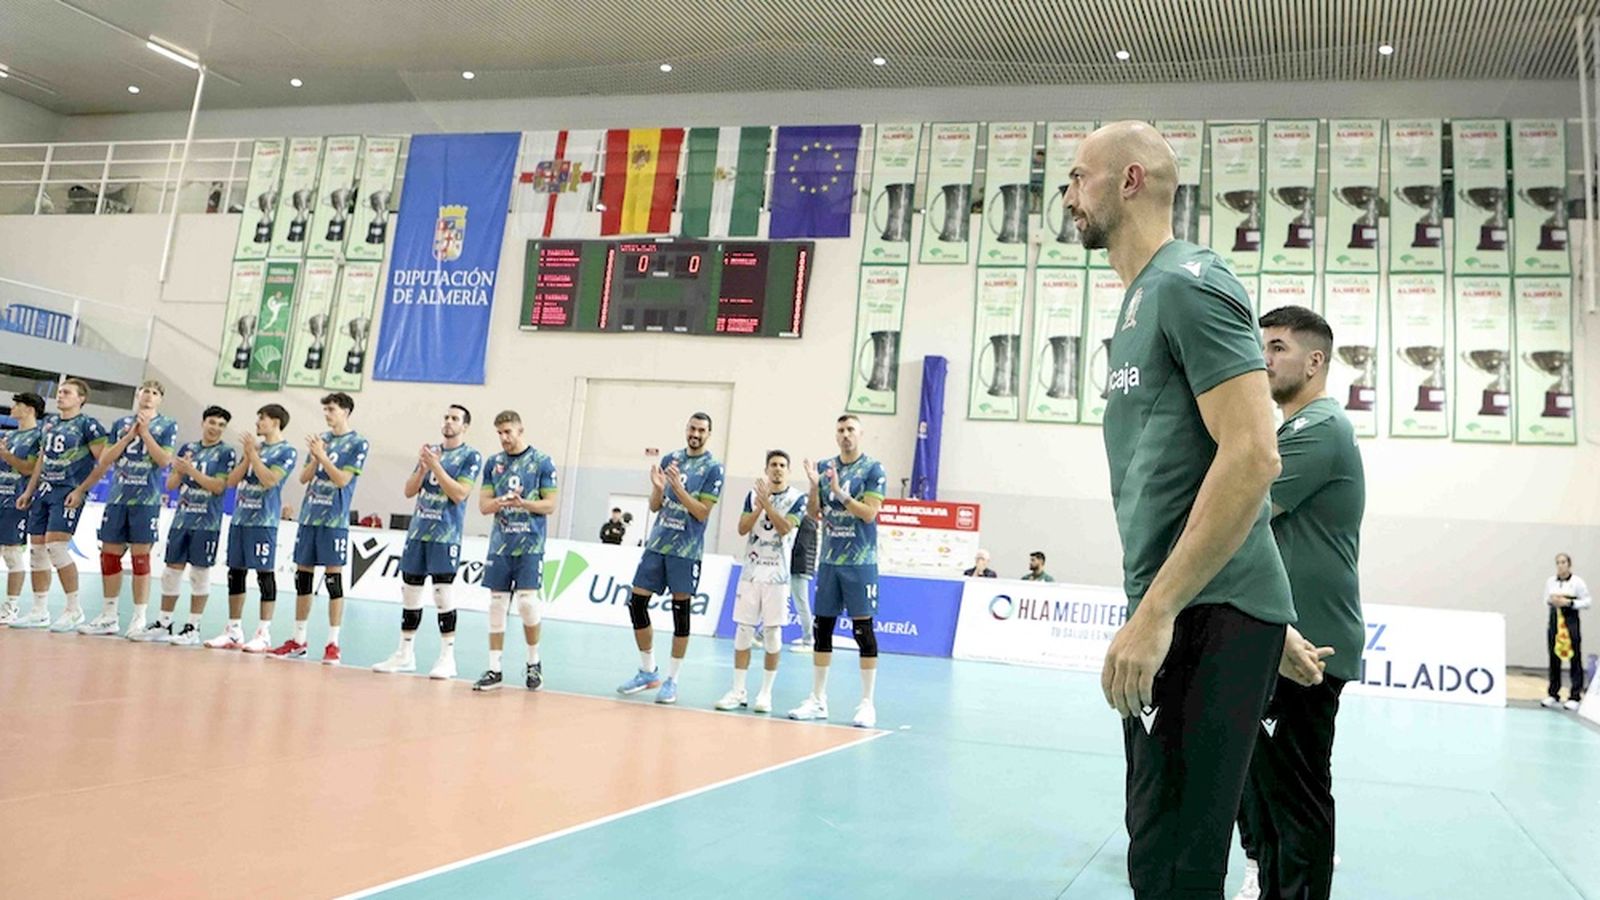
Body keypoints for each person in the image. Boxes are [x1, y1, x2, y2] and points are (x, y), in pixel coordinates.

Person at [1069, 120, 1297, 899]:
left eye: (1078, 178)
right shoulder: (1140, 302)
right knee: (1157, 854)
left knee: (1174, 868)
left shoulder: (1188, 282)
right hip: (1197, 606)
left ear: (1129, 181)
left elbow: (1254, 454)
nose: (1068, 195)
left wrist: (1161, 612)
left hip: (1199, 612)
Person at [1233, 305, 1366, 900]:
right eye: (1261, 345)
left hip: (1310, 642)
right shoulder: (1289, 429)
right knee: (1264, 797)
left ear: (1315, 362)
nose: (1264, 358)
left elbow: (1242, 506)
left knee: (1297, 797)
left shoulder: (1321, 429)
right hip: (1274, 640)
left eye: (1278, 347)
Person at [616, 413, 725, 704]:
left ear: (708, 434)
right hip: (657, 544)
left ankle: (672, 680)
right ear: (686, 429)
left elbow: (702, 512)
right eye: (692, 428)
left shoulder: (714, 468)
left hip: (685, 551)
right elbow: (654, 507)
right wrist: (658, 488)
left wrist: (678, 488)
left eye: (702, 430)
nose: (696, 433)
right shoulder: (670, 459)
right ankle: (647, 670)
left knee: (681, 613)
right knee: (636, 603)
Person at [790, 414, 887, 728]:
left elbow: (870, 514)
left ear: (860, 434)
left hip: (860, 563)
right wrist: (816, 487)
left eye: (850, 430)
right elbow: (813, 513)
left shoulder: (873, 469)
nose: (845, 435)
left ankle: (867, 704)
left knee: (863, 633)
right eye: (841, 430)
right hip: (830, 561)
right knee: (823, 630)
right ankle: (818, 700)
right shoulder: (825, 466)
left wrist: (841, 493)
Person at [374, 405, 483, 679]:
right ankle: (404, 653)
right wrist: (423, 468)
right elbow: (409, 491)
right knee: (410, 592)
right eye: (446, 417)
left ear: (465, 426)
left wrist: (436, 466)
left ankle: (447, 657)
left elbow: (459, 494)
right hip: (418, 532)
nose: (448, 422)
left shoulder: (470, 456)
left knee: (442, 594)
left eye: (455, 419)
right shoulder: (430, 450)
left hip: (445, 534)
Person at [74, 379, 179, 637]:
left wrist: (145, 434)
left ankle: (139, 616)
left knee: (140, 557)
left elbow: (165, 460)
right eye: (145, 391)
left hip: (146, 500)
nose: (149, 396)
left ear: (160, 399)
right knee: (109, 554)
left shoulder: (167, 425)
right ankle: (109, 615)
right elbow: (105, 458)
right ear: (138, 394)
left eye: (155, 392)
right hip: (118, 498)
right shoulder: (121, 424)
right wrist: (130, 435)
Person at [271, 392, 368, 664]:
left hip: (333, 521)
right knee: (303, 578)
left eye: (332, 409)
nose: (327, 414)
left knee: (333, 580)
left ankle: (333, 644)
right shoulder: (321, 440)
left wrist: (323, 457)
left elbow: (341, 480)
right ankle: (298, 639)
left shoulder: (357, 443)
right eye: (325, 409)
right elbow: (303, 478)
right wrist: (315, 457)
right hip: (309, 518)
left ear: (346, 411)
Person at [132, 406, 238, 644]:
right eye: (212, 422)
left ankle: (193, 627)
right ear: (203, 423)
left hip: (207, 522)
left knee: (199, 574)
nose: (216, 428)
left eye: (221, 425)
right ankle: (164, 623)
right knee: (171, 572)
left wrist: (191, 470)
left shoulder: (226, 453)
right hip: (182, 519)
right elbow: (170, 485)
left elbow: (219, 487)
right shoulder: (188, 448)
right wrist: (181, 472)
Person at [472, 410, 558, 692]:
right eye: (499, 433)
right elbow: (484, 506)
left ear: (521, 430)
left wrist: (524, 504)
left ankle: (534, 663)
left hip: (530, 544)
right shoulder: (493, 463)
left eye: (508, 432)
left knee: (527, 604)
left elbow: (550, 505)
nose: (504, 438)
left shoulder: (542, 462)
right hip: (500, 544)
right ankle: (494, 668)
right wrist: (501, 502)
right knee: (496, 604)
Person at [13, 379, 109, 631]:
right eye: (60, 392)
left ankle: (73, 609)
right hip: (43, 491)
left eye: (66, 393)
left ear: (81, 399)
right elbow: (41, 461)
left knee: (56, 547)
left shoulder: (88, 425)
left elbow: (104, 462)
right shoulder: (50, 423)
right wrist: (29, 491)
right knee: (37, 552)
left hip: (67, 491)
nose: (61, 396)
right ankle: (38, 610)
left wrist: (81, 490)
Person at [716, 450, 807, 714]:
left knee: (772, 633)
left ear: (788, 471)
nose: (777, 469)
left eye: (782, 465)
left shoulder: (797, 498)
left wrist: (769, 506)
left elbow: (786, 528)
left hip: (777, 576)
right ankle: (738, 690)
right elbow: (743, 528)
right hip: (751, 574)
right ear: (766, 470)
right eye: (773, 465)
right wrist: (759, 506)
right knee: (743, 631)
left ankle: (765, 693)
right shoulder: (752, 494)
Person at [214, 404, 296, 652]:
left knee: (264, 574)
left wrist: (254, 455)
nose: (258, 422)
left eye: (263, 418)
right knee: (235, 573)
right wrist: (248, 455)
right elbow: (231, 481)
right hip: (241, 519)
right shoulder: (254, 449)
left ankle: (263, 632)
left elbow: (270, 480)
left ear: (276, 422)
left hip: (264, 522)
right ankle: (233, 629)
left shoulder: (286, 451)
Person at [0, 392, 45, 625]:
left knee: (11, 553)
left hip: (18, 500)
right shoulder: (9, 435)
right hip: (1, 496)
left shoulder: (39, 436)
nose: (12, 407)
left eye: (17, 404)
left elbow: (29, 469)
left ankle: (11, 607)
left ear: (29, 409)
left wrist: (6, 456)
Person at [1543, 552, 1590, 710]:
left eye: (1563, 562)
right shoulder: (1550, 582)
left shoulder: (1577, 582)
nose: (1560, 565)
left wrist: (1569, 602)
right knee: (1553, 657)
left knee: (1574, 657)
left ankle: (1575, 695)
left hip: (1570, 621)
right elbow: (1545, 600)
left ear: (1569, 564)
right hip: (1555, 621)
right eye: (1558, 562)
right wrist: (1553, 601)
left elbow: (1587, 601)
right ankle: (1553, 693)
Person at [788, 511, 820, 652]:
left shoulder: (807, 522)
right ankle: (761, 635)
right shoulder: (810, 522)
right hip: (801, 567)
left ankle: (808, 640)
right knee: (788, 601)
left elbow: (801, 546)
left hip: (800, 568)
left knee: (801, 604)